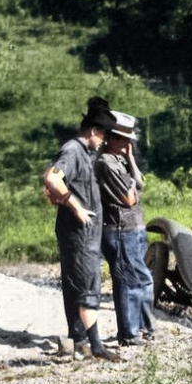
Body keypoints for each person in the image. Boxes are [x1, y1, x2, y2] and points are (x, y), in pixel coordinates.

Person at [42, 96, 122, 361]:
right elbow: (51, 178)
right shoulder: (73, 150)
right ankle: (96, 345)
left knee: (78, 285)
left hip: (83, 233)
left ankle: (80, 342)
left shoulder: (83, 152)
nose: (103, 142)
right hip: (78, 233)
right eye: (103, 136)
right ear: (93, 131)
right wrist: (73, 205)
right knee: (86, 286)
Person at [95, 111, 156, 347]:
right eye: (122, 139)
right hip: (120, 230)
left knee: (140, 278)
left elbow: (140, 183)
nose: (126, 144)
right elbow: (130, 198)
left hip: (132, 228)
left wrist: (130, 159)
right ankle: (129, 333)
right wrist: (131, 182)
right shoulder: (106, 164)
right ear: (110, 138)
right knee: (129, 281)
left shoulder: (119, 161)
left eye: (128, 140)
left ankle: (142, 328)